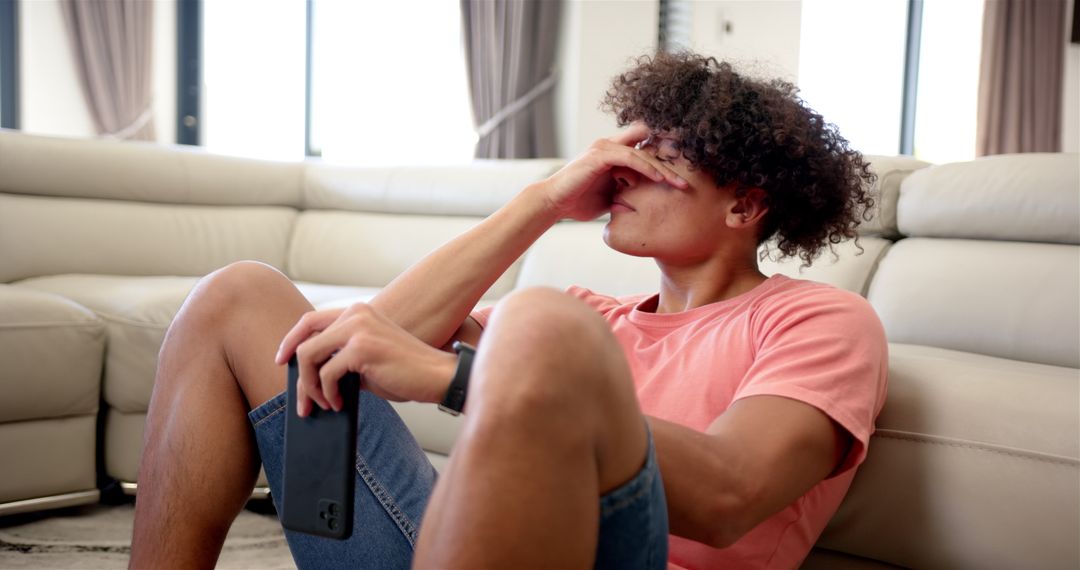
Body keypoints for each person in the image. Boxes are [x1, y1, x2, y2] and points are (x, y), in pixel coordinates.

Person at [129, 52, 887, 569]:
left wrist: (457, 379)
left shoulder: (819, 321)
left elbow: (733, 495)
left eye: (657, 157)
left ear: (744, 205)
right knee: (235, 295)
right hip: (449, 546)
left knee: (542, 326)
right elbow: (342, 355)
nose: (619, 172)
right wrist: (543, 200)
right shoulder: (593, 312)